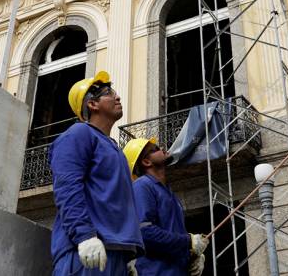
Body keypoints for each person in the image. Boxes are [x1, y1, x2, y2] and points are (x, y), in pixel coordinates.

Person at [50, 71, 143, 275]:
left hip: (116, 252)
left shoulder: (115, 149)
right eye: (109, 93)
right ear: (92, 104)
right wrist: (84, 235)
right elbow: (67, 187)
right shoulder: (78, 134)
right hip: (86, 251)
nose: (118, 97)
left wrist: (129, 253)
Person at [123, 138, 208, 276]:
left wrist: (193, 255)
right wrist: (188, 241)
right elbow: (146, 233)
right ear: (146, 162)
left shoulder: (168, 192)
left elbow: (172, 236)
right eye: (155, 148)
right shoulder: (142, 186)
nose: (162, 148)